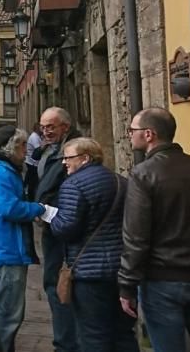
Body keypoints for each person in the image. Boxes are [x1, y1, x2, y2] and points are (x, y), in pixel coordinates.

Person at [119, 108, 190, 352]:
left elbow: (136, 238)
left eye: (133, 130)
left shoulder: (143, 174)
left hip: (163, 280)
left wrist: (127, 285)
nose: (129, 135)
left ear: (149, 134)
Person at [49, 138, 137, 352]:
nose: (64, 163)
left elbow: (66, 228)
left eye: (68, 158)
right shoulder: (120, 181)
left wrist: (52, 218)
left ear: (85, 158)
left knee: (93, 335)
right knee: (123, 333)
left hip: (89, 272)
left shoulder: (73, 184)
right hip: (120, 269)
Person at [0, 125, 44, 352]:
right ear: (10, 147)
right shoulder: (2, 172)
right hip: (6, 248)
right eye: (22, 145)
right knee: (8, 314)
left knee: (2, 310)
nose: (26, 149)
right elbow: (9, 208)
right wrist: (39, 208)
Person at [35, 107, 80, 352]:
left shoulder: (70, 153)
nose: (46, 131)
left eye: (51, 126)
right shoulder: (50, 151)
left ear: (65, 126)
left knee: (58, 284)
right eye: (43, 126)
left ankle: (66, 343)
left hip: (61, 228)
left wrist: (46, 209)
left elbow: (66, 190)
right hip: (52, 226)